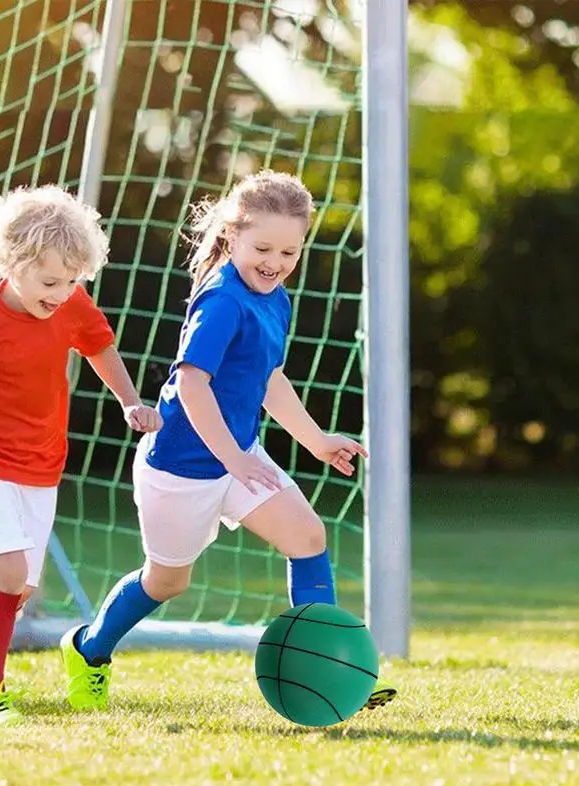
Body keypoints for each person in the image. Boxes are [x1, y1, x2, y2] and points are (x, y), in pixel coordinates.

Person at [59, 170, 396, 713]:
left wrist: (314, 440)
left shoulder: (275, 298)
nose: (275, 261)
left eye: (289, 250)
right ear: (232, 236)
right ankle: (89, 649)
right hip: (181, 469)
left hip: (238, 458)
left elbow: (269, 378)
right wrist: (233, 459)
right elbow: (192, 383)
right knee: (166, 581)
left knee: (309, 538)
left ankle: (329, 674)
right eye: (262, 247)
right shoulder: (221, 299)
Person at [0, 185, 162, 728]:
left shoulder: (70, 304)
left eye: (72, 281)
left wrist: (131, 400)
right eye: (50, 281)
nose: (63, 292)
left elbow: (98, 346)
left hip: (42, 462)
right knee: (9, 568)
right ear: (12, 264)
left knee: (17, 587)